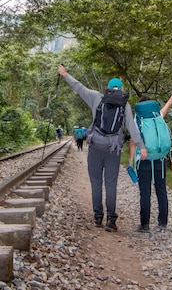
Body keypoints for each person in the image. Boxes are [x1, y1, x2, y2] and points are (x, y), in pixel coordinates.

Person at [58, 64, 148, 232]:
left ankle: (98, 217)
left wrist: (65, 74)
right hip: (113, 149)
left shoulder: (96, 97)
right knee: (111, 183)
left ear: (107, 88)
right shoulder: (125, 105)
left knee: (96, 182)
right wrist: (142, 147)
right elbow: (132, 129)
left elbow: (78, 87)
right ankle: (111, 219)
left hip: (95, 147)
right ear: (121, 89)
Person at [129, 92, 172, 233]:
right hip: (159, 159)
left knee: (145, 193)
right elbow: (167, 107)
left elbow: (133, 142)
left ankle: (144, 225)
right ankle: (162, 223)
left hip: (144, 161)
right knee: (161, 191)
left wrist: (131, 162)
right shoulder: (157, 116)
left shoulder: (137, 120)